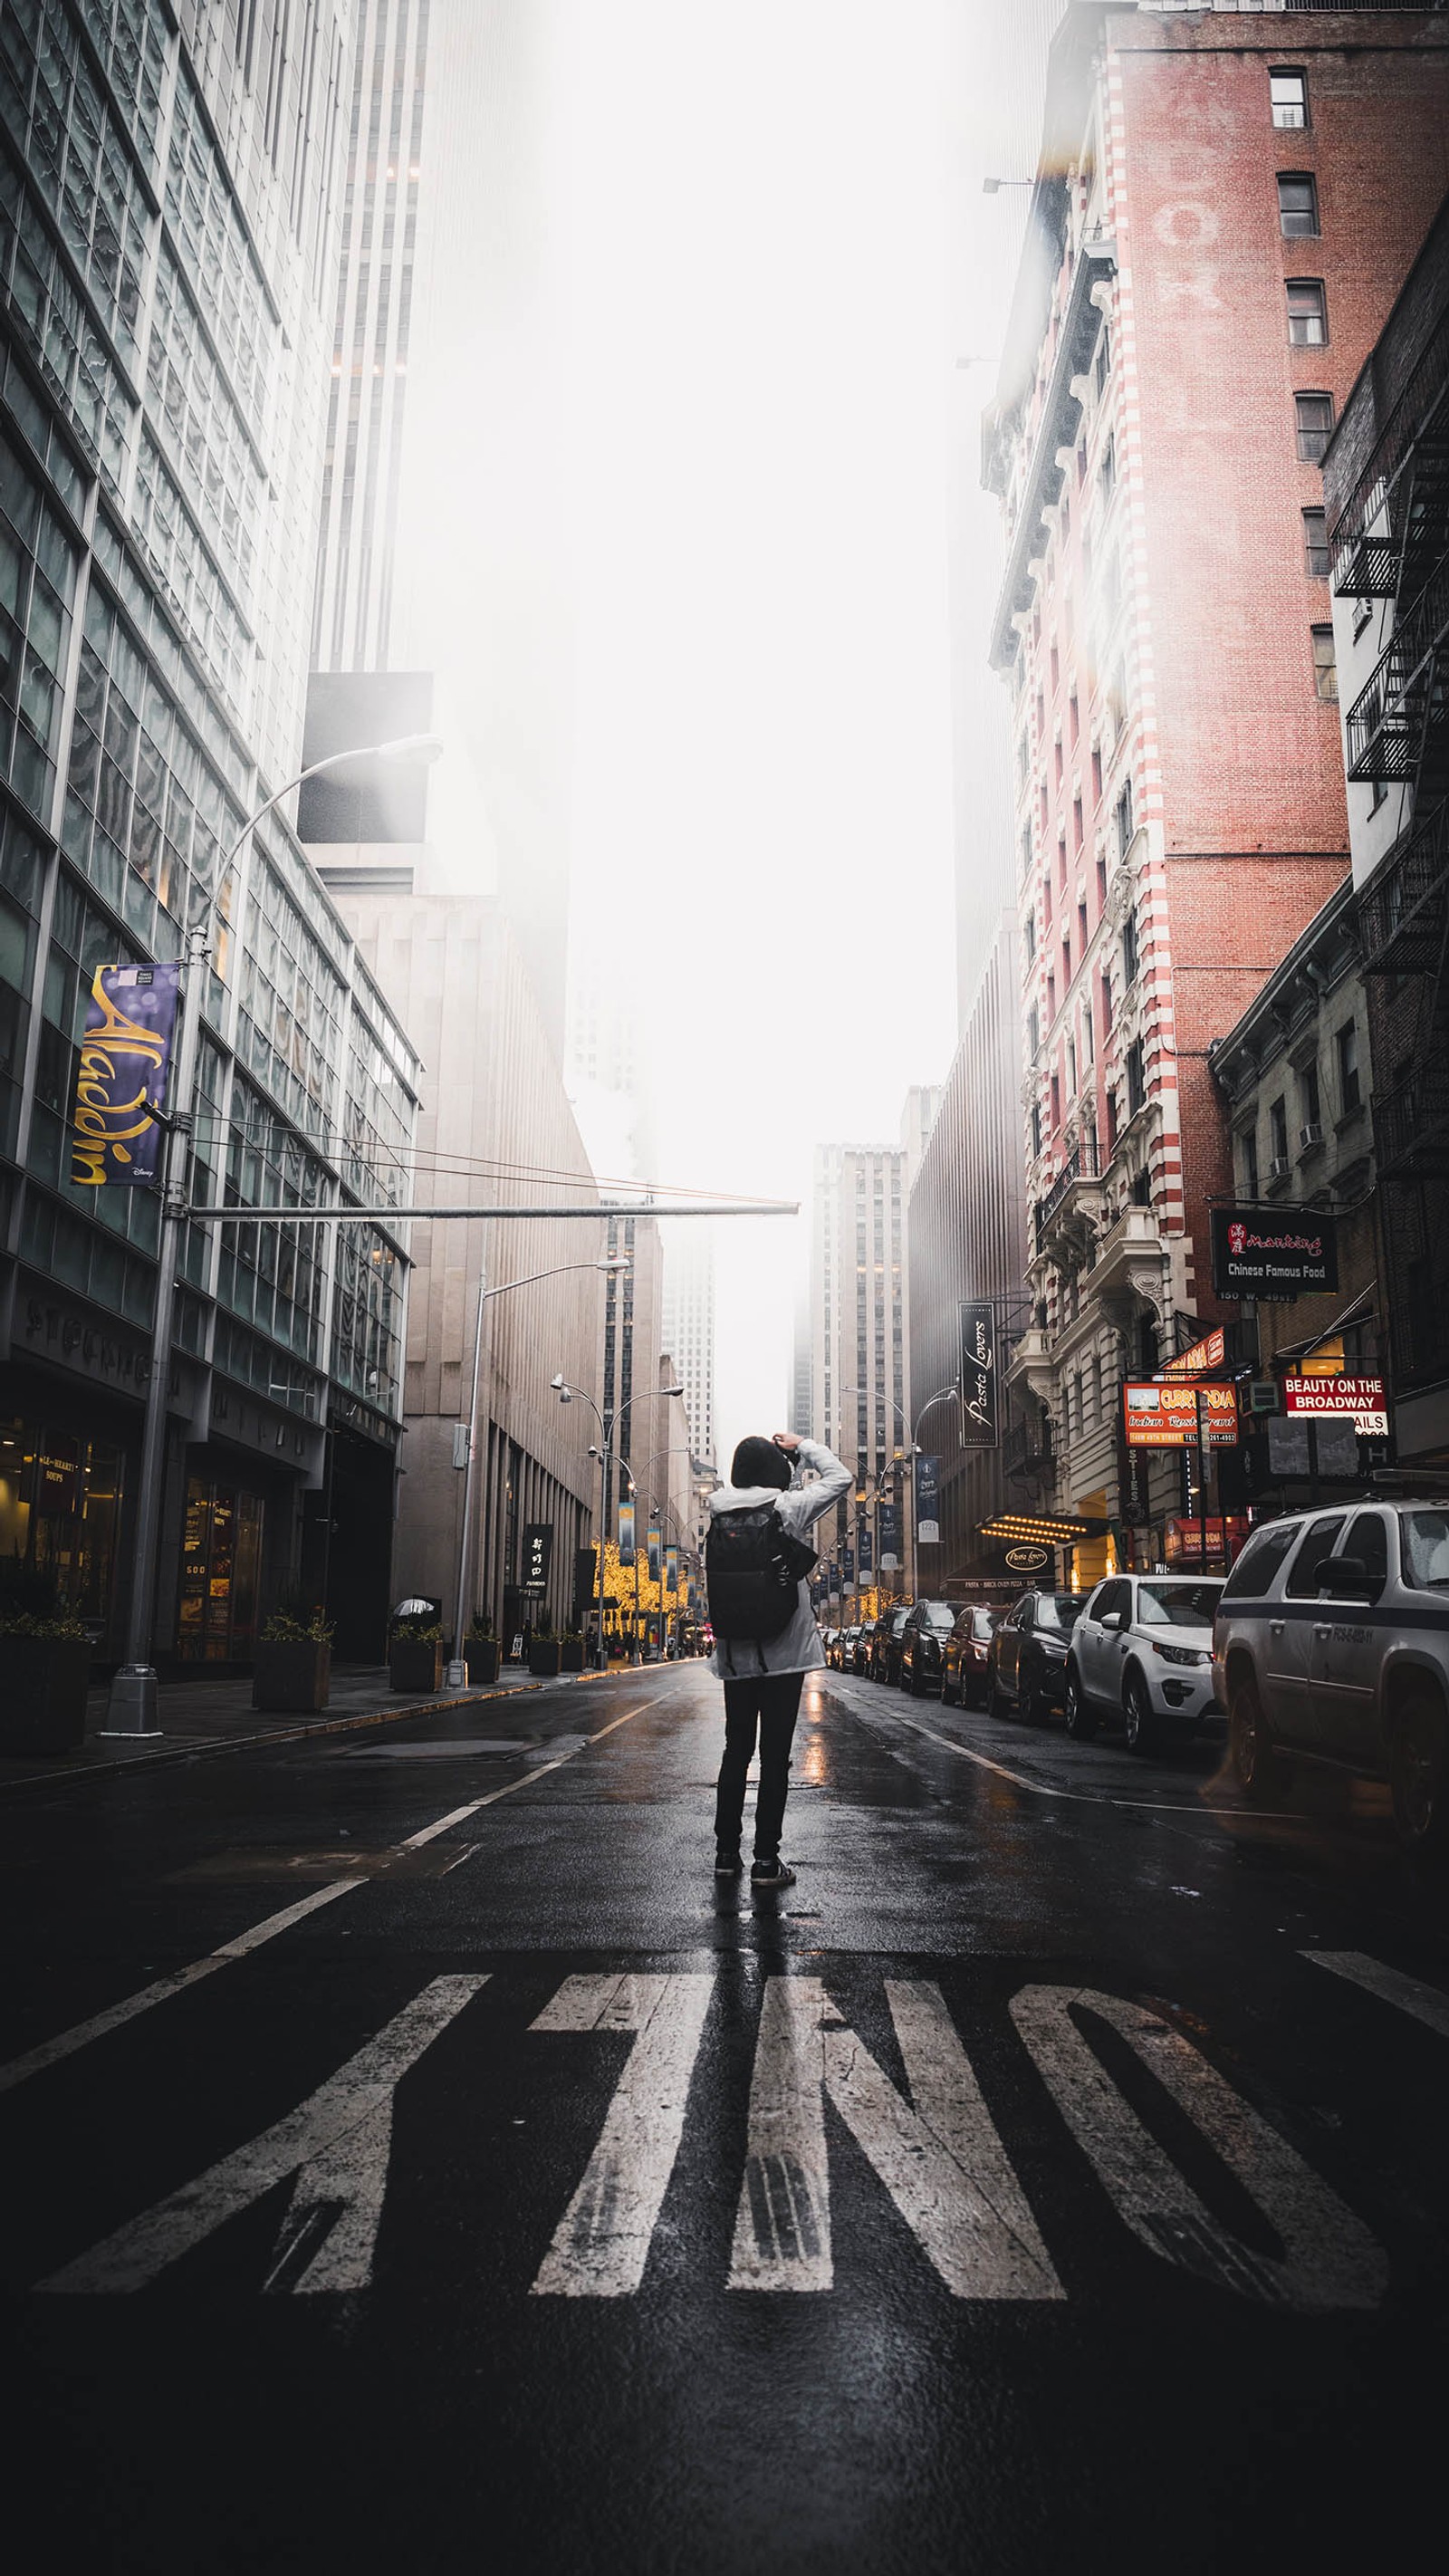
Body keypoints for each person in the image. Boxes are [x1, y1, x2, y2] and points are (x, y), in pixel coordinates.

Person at [706, 1428, 851, 1890]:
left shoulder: (715, 1508)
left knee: (735, 1751)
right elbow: (840, 1477)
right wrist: (802, 1446)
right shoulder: (786, 1509)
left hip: (735, 1656)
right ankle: (766, 1861)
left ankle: (725, 1855)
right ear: (773, 1469)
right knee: (774, 1759)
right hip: (785, 1655)